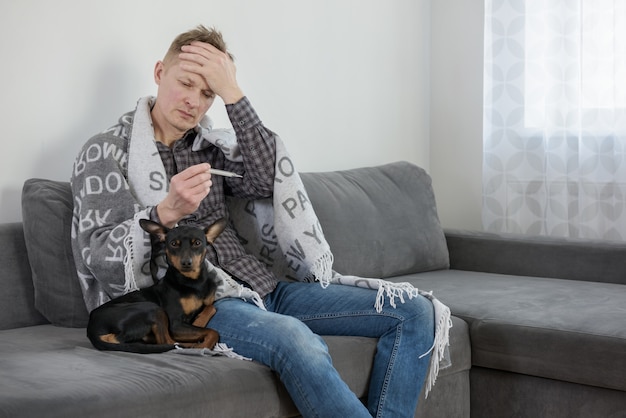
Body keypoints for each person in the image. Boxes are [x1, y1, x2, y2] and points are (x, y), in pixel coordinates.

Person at [70, 25, 436, 418]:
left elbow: (267, 177)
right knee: (298, 339)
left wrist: (233, 94)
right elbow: (100, 256)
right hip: (206, 303)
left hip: (266, 287)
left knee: (415, 311)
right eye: (186, 83)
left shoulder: (212, 147)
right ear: (160, 73)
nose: (193, 101)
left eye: (207, 93)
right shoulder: (106, 152)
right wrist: (166, 211)